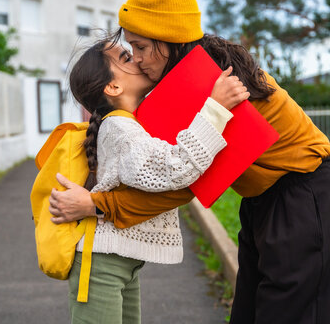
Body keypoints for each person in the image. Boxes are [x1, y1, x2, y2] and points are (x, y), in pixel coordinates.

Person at [49, 0, 330, 323]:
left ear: (171, 39)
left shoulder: (216, 85)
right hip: (264, 203)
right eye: (130, 49)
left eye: (142, 47)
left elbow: (180, 182)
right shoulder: (183, 83)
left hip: (307, 199)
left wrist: (94, 205)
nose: (137, 59)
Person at [61, 38, 249, 324]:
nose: (137, 59)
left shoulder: (131, 123)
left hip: (119, 263)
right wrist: (215, 109)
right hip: (101, 265)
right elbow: (175, 167)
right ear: (113, 87)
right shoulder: (119, 127)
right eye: (126, 58)